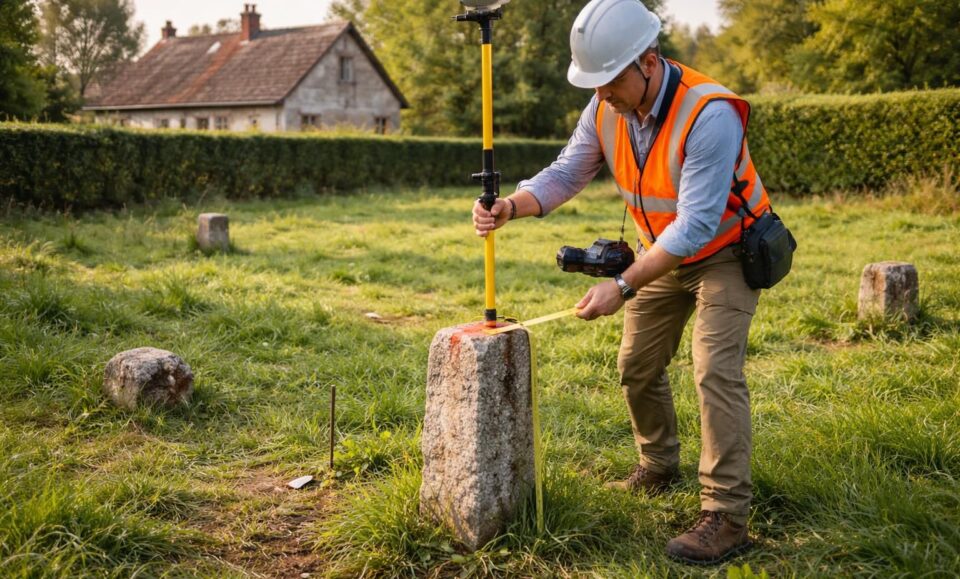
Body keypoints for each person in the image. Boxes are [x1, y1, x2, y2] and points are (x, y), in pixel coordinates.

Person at [472, 0, 772, 566]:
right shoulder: (605, 105)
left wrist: (624, 286)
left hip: (726, 254)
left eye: (610, 81)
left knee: (714, 370)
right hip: (661, 254)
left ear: (648, 62)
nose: (601, 93)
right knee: (636, 365)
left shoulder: (710, 112)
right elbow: (568, 171)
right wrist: (512, 205)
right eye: (594, 83)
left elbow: (696, 225)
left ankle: (726, 515)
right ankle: (658, 465)